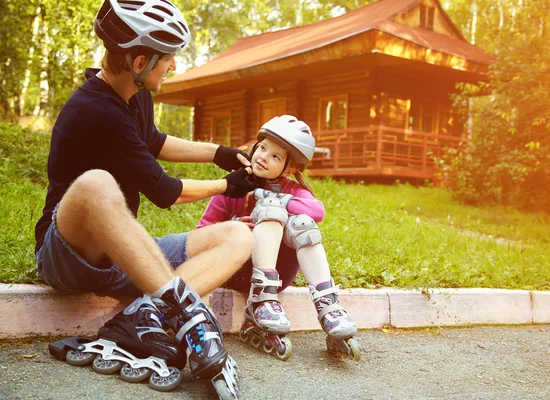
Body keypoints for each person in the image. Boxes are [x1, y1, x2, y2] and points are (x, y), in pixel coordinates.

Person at [35, 0, 254, 395]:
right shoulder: (95, 109)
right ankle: (188, 314)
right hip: (68, 255)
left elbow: (155, 141)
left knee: (239, 236)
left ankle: (141, 315)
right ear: (140, 63)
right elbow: (164, 191)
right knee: (96, 183)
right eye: (168, 59)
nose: (173, 67)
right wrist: (226, 185)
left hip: (119, 253)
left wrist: (219, 152)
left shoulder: (134, 96)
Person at [196, 115, 361, 361]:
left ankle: (328, 306)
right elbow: (200, 233)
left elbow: (318, 211)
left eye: (275, 156)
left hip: (278, 276)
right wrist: (231, 229)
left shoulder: (292, 189)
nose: (262, 156)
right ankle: (259, 303)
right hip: (237, 271)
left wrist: (271, 197)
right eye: (262, 148)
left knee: (301, 221)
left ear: (290, 169)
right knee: (271, 210)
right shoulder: (234, 184)